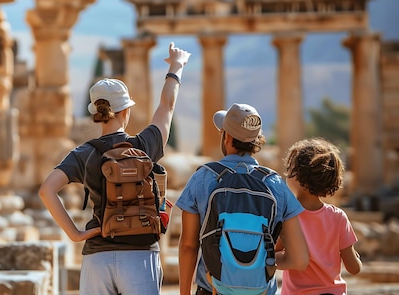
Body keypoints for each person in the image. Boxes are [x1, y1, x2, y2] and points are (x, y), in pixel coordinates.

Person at [38, 42, 191, 295]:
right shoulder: (145, 145)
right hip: (141, 256)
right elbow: (167, 107)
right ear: (126, 111)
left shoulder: (83, 154)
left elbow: (47, 190)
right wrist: (176, 67)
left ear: (95, 113)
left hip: (98, 254)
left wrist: (75, 234)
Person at [176, 103, 309, 295]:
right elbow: (299, 260)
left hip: (212, 288)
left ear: (227, 136)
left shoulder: (203, 177)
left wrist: (184, 293)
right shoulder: (276, 184)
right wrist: (260, 265)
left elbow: (189, 245)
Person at [279, 138, 362, 295]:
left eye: (289, 169)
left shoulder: (288, 216)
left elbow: (273, 256)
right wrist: (355, 257)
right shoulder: (339, 217)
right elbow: (354, 268)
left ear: (297, 176)